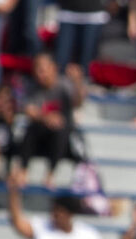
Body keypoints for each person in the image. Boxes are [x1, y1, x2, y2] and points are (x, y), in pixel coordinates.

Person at [16, 52, 86, 187]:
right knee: (31, 129)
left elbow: (77, 102)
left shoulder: (64, 85)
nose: (39, 74)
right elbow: (28, 110)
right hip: (40, 136)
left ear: (53, 68)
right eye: (36, 69)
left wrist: (77, 82)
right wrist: (46, 118)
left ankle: (50, 174)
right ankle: (23, 171)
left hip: (61, 140)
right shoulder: (32, 87)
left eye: (42, 69)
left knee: (61, 130)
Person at [54, 0, 109, 74]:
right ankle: (61, 83)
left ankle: (84, 82)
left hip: (93, 15)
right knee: (61, 59)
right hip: (67, 13)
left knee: (87, 61)